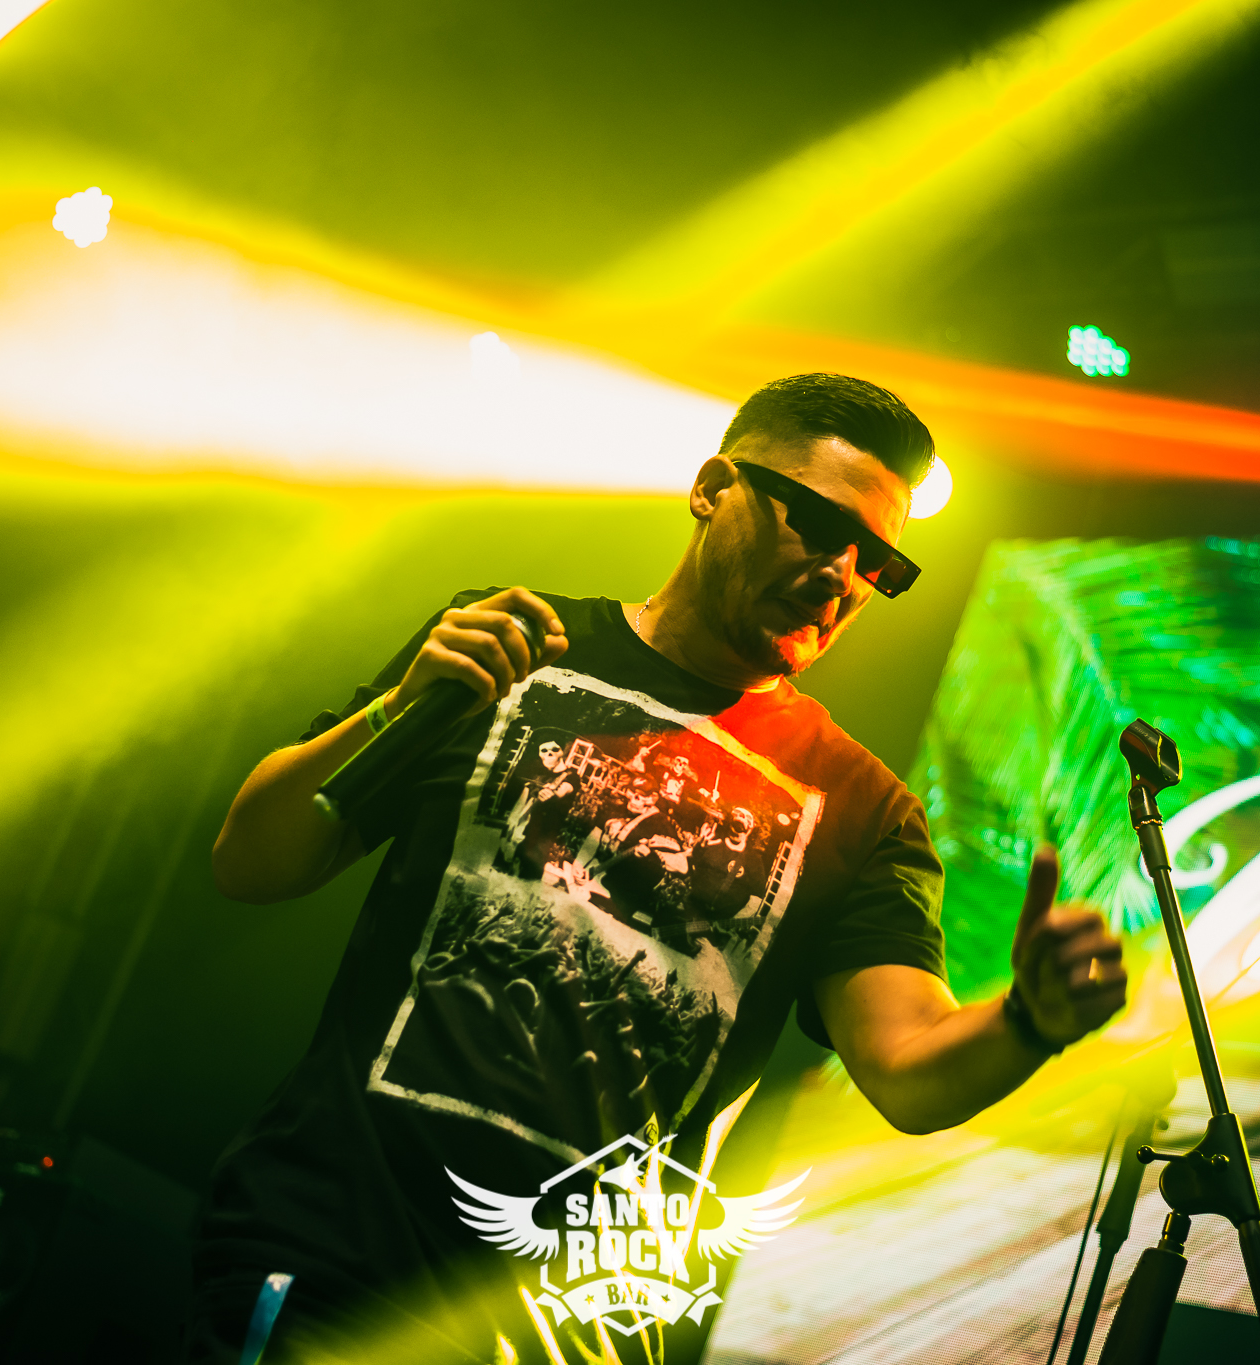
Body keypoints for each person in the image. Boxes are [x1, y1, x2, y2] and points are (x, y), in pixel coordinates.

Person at [197, 374, 1128, 1363]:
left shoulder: (863, 810)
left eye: (877, 563)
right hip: (335, 1266)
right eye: (818, 526)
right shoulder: (515, 649)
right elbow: (252, 861)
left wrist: (1027, 1020)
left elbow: (907, 1069)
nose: (841, 574)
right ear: (712, 488)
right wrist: (396, 709)